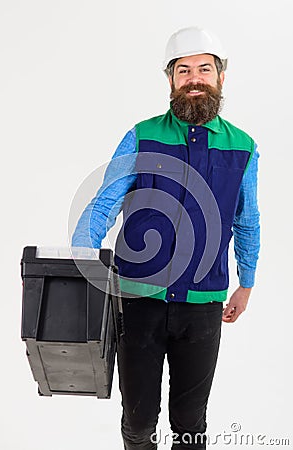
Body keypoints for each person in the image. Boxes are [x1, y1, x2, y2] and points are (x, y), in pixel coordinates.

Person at [72, 26, 260, 450]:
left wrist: (245, 283)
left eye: (204, 69)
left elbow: (247, 219)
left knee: (190, 424)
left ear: (221, 77)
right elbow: (104, 204)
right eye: (184, 70)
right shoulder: (142, 136)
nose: (194, 78)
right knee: (138, 419)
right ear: (171, 79)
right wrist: (78, 265)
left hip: (204, 304)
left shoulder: (244, 148)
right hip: (138, 301)